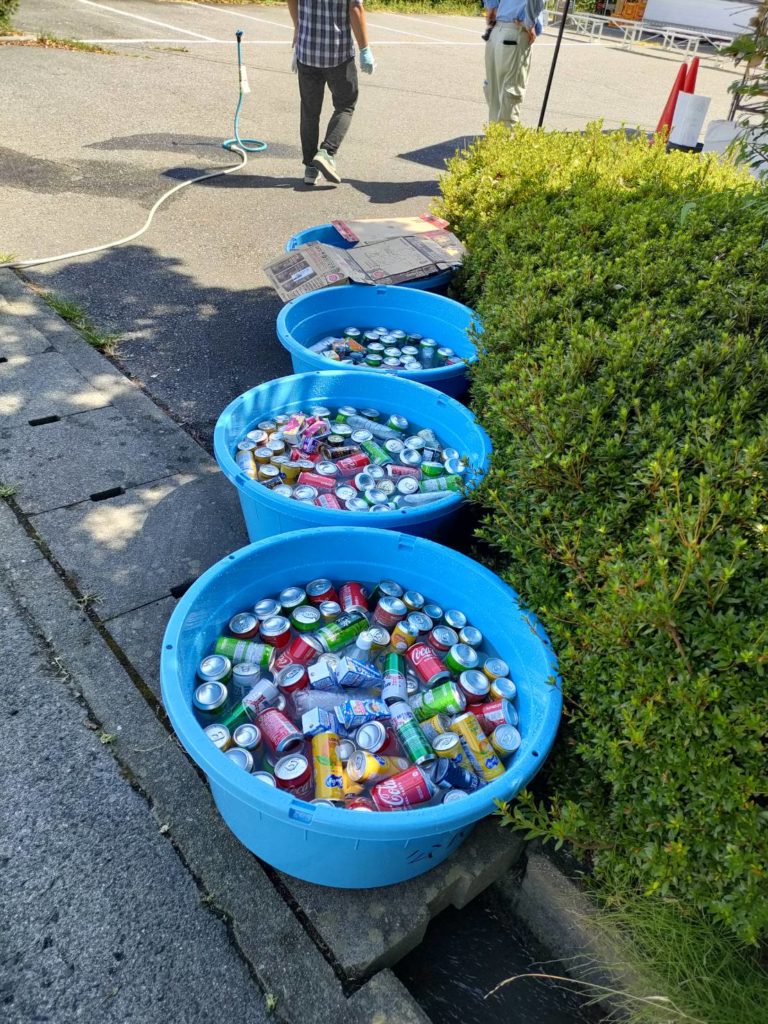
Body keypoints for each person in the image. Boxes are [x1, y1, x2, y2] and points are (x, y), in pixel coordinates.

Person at [287, 0, 375, 186]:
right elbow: (355, 8)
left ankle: (310, 167)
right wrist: (364, 49)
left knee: (309, 111)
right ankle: (327, 152)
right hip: (338, 54)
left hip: (307, 51)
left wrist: (297, 27)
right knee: (346, 105)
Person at [482, 0, 545, 128]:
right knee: (511, 92)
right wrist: (530, 23)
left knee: (494, 93)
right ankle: (505, 138)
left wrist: (491, 6)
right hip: (516, 30)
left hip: (496, 30)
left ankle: (494, 137)